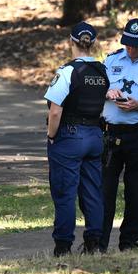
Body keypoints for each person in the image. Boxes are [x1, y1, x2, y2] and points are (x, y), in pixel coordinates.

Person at [43, 21, 109, 257]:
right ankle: (94, 243)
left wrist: (52, 135)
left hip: (69, 137)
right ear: (93, 44)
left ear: (71, 41)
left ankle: (63, 246)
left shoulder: (68, 71)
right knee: (92, 192)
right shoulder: (102, 71)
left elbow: (55, 110)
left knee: (64, 194)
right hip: (94, 135)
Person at [98, 18, 138, 252]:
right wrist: (106, 91)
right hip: (110, 135)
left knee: (137, 193)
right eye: (127, 43)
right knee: (104, 192)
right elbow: (95, 89)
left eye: (136, 44)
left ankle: (129, 243)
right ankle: (98, 243)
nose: (131, 48)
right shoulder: (111, 60)